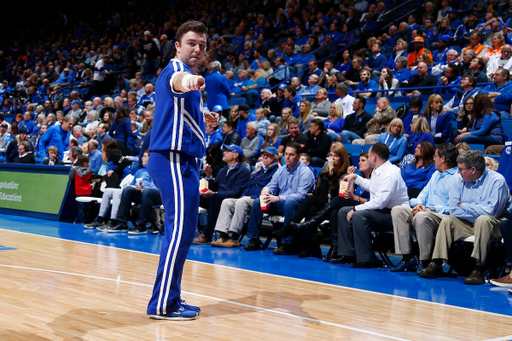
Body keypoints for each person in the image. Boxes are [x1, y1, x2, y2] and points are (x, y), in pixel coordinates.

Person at [146, 21, 217, 321]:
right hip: (171, 159)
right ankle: (162, 304)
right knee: (178, 232)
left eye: (201, 44)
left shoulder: (191, 79)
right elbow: (178, 82)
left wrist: (206, 125)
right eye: (191, 43)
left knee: (186, 231)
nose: (197, 49)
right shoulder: (174, 71)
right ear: (177, 45)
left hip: (185, 161)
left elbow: (185, 122)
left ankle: (171, 298)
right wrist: (192, 82)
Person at [419, 150, 510, 285]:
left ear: (473, 170)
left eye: (461, 169)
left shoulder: (497, 181)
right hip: (468, 223)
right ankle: (436, 262)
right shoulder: (458, 178)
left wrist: (465, 205)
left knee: (483, 220)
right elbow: (454, 209)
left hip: (495, 224)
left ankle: (479, 268)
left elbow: (492, 212)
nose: (457, 172)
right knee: (448, 220)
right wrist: (474, 209)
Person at [336, 143, 410, 268]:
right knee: (343, 211)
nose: (368, 158)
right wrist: (355, 177)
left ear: (374, 157)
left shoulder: (390, 173)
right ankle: (348, 254)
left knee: (359, 215)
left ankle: (367, 259)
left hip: (396, 215)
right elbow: (372, 187)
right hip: (383, 211)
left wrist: (355, 208)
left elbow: (379, 202)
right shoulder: (378, 170)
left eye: (369, 156)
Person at [389, 143, 459, 272]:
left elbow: (453, 208)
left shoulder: (458, 177)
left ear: (443, 159)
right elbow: (421, 196)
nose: (434, 159)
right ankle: (407, 257)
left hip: (444, 216)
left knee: (422, 216)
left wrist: (429, 209)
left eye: (436, 156)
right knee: (398, 210)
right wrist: (418, 204)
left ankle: (425, 261)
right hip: (426, 211)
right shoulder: (436, 174)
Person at [273, 143, 349, 257]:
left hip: (336, 206)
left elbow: (336, 190)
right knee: (311, 208)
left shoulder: (345, 174)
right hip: (323, 205)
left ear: (342, 158)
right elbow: (317, 193)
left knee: (311, 204)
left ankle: (289, 227)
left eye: (336, 156)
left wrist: (332, 168)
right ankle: (306, 246)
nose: (332, 159)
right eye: (331, 155)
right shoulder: (323, 173)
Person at [243, 142, 315, 251]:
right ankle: (253, 239)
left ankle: (286, 243)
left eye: (291, 154)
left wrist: (278, 198)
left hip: (299, 206)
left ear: (299, 156)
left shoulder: (305, 172)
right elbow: (272, 186)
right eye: (286, 154)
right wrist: (266, 190)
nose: (287, 157)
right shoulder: (281, 170)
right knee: (258, 202)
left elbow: (301, 196)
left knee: (289, 204)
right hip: (281, 203)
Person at [212, 147, 280, 248]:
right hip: (247, 199)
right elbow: (248, 187)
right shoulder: (259, 172)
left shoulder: (277, 172)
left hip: (261, 201)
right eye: (263, 155)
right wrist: (243, 196)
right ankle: (223, 235)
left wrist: (250, 197)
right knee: (227, 201)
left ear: (275, 158)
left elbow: (273, 190)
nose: (265, 157)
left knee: (241, 202)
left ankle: (234, 238)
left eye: (268, 155)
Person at [106, 151, 163, 234]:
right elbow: (132, 184)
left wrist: (144, 188)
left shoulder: (158, 171)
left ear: (152, 159)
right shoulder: (140, 171)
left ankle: (141, 225)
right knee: (127, 190)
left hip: (157, 196)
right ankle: (122, 222)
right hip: (143, 194)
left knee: (147, 191)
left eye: (145, 156)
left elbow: (158, 188)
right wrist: (133, 186)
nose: (142, 158)